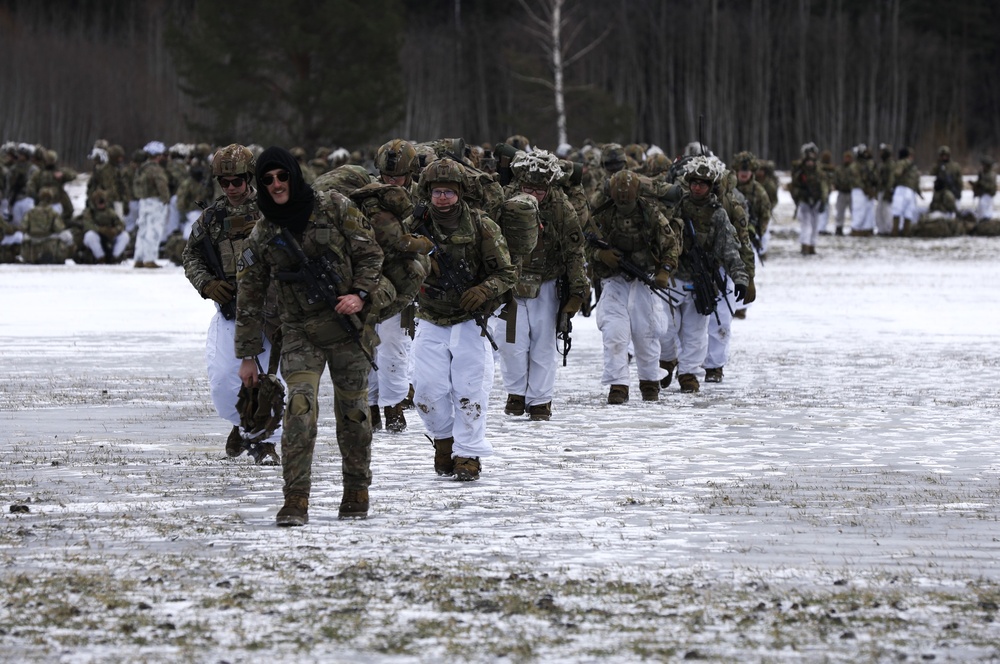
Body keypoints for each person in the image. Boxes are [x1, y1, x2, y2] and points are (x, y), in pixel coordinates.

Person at [236, 146, 386, 525]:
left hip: (348, 328)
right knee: (299, 410)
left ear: (294, 175)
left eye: (282, 176)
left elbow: (371, 255)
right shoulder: (265, 231)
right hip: (300, 331)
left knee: (353, 413)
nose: (276, 184)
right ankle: (296, 499)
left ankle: (356, 490)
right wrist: (248, 354)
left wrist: (361, 295)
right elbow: (250, 293)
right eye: (267, 179)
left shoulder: (334, 207)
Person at [408, 157, 517, 481]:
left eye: (449, 192)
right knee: (426, 391)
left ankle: (468, 454)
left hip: (471, 321)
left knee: (471, 391)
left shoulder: (482, 225)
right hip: (430, 317)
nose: (442, 197)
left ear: (460, 193)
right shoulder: (414, 225)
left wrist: (484, 290)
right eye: (437, 191)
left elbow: (507, 272)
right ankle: (444, 441)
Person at [182, 144, 283, 461]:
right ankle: (243, 425)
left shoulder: (274, 210)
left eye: (236, 181)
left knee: (272, 381)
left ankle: (266, 443)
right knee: (225, 380)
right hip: (232, 311)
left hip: (273, 311)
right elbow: (191, 257)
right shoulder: (211, 219)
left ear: (249, 178)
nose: (231, 188)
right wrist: (207, 283)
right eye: (224, 183)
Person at [496, 150, 588, 421]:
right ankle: (515, 393)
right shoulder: (504, 200)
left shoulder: (561, 208)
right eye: (528, 188)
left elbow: (575, 251)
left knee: (543, 345)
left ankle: (540, 400)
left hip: (547, 283)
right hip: (510, 283)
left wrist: (578, 290)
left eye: (539, 189)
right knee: (510, 341)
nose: (533, 194)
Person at [659, 156, 750, 393]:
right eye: (694, 182)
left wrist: (740, 277)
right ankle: (666, 362)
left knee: (695, 334)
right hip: (673, 278)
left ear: (711, 186)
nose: (697, 187)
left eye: (703, 183)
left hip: (701, 284)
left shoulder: (718, 214)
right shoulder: (675, 206)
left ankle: (689, 374)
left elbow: (730, 248)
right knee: (664, 329)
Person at [590, 169, 679, 403]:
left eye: (627, 201)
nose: (623, 205)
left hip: (644, 280)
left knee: (647, 333)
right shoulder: (602, 212)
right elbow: (580, 242)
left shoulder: (651, 213)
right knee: (614, 333)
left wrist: (664, 271)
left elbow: (670, 244)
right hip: (613, 280)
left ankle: (650, 383)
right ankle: (618, 385)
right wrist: (601, 254)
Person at [132, 141, 170, 268]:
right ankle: (149, 259)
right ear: (158, 155)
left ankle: (138, 258)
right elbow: (161, 185)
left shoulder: (142, 168)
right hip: (156, 202)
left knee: (142, 230)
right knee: (154, 231)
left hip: (143, 201)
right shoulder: (156, 169)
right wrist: (166, 199)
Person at [789, 143, 829, 255]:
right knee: (806, 225)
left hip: (816, 201)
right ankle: (805, 245)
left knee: (815, 225)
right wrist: (801, 195)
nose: (810, 162)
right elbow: (793, 187)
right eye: (808, 159)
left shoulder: (819, 171)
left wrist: (823, 200)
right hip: (804, 201)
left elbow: (824, 186)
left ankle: (812, 245)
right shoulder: (799, 172)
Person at [20, 187, 72, 264]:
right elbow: (59, 228)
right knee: (68, 236)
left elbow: (23, 226)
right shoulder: (52, 212)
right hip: (48, 238)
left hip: (33, 237)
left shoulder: (31, 212)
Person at [80, 189, 130, 263]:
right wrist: (100, 230)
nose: (101, 203)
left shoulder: (110, 212)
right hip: (97, 236)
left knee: (125, 236)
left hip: (110, 237)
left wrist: (115, 230)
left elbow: (120, 224)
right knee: (90, 235)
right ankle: (100, 258)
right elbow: (87, 225)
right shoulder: (89, 212)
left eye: (103, 201)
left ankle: (115, 257)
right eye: (99, 201)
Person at [848, 144, 877, 236]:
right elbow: (856, 179)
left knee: (869, 211)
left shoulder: (869, 164)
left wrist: (872, 188)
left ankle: (867, 229)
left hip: (868, 190)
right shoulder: (854, 165)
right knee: (859, 211)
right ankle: (856, 229)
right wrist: (865, 188)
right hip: (858, 190)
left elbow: (874, 176)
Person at [891, 147, 921, 236]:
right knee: (908, 213)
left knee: (897, 211)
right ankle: (906, 232)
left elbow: (897, 173)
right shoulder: (913, 166)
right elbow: (916, 180)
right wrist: (919, 192)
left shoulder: (901, 163)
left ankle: (895, 232)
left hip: (901, 189)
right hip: (911, 191)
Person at [875, 144, 896, 236]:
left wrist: (889, 190)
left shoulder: (890, 164)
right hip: (881, 190)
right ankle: (881, 230)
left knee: (886, 210)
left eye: (882, 152)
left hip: (886, 190)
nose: (880, 154)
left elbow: (891, 178)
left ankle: (888, 229)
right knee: (879, 211)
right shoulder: (883, 164)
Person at [832, 150, 854, 236]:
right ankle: (839, 228)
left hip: (851, 193)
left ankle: (855, 227)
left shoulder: (853, 168)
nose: (847, 160)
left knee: (854, 211)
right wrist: (837, 186)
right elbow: (835, 179)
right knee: (840, 211)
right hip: (842, 193)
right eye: (846, 158)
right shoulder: (839, 169)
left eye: (849, 158)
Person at [971, 156, 996, 221]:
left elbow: (991, 186)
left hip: (988, 195)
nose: (982, 167)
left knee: (986, 212)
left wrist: (981, 184)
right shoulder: (982, 174)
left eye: (984, 165)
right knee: (980, 211)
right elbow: (979, 183)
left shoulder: (991, 175)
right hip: (982, 195)